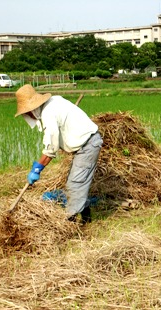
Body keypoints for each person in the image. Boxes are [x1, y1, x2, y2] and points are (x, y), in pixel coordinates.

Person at [15, 84, 102, 224]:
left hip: (88, 145)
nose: (27, 115)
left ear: (32, 109)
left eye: (26, 112)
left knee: (75, 184)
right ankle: (87, 218)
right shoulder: (54, 101)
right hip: (85, 144)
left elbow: (51, 148)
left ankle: (70, 221)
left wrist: (37, 169)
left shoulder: (48, 113)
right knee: (77, 183)